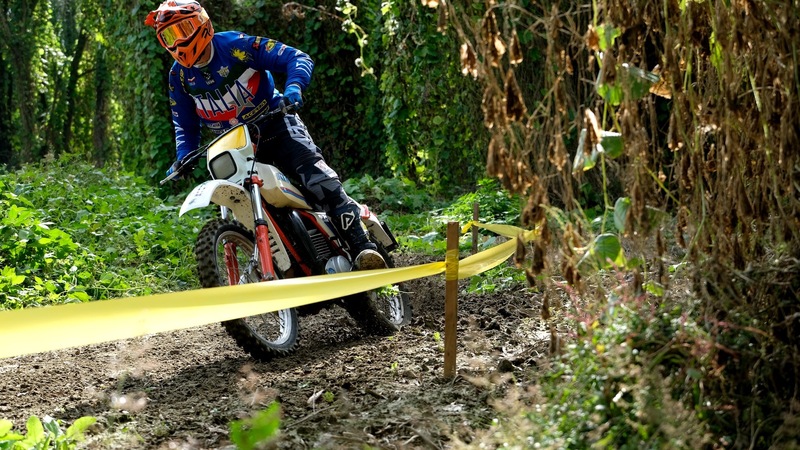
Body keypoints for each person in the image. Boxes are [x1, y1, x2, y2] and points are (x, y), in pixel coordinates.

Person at [145, 0, 385, 270]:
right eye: (169, 36)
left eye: (183, 29)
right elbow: (184, 125)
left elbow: (297, 57)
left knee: (321, 182)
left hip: (278, 126)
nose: (178, 41)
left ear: (202, 23)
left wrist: (293, 88)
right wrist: (183, 157)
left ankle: (363, 247)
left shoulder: (236, 46)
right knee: (243, 204)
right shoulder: (178, 77)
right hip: (236, 147)